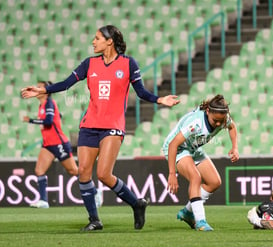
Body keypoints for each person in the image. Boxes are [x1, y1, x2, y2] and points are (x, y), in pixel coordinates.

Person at [21, 25, 180, 231]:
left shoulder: (128, 63)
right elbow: (66, 84)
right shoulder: (89, 63)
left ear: (109, 41)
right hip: (89, 125)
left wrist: (160, 99)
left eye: (97, 38)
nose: (93, 42)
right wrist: (43, 90)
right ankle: (94, 220)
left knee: (104, 174)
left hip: (113, 126)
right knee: (84, 174)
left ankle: (136, 203)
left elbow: (140, 92)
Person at [162, 94, 239, 231]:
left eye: (220, 122)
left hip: (193, 148)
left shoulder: (223, 118)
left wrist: (235, 148)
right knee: (195, 177)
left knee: (214, 182)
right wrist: (172, 173)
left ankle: (187, 212)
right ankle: (200, 221)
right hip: (177, 149)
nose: (217, 124)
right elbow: (173, 144)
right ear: (208, 111)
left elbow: (232, 127)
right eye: (215, 120)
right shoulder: (195, 123)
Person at [23, 81, 78, 209]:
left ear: (46, 91)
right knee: (39, 170)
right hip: (48, 144)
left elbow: (48, 121)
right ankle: (43, 201)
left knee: (73, 171)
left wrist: (30, 120)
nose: (36, 88)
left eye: (39, 86)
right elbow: (55, 117)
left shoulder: (49, 103)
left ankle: (95, 192)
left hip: (59, 143)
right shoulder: (42, 105)